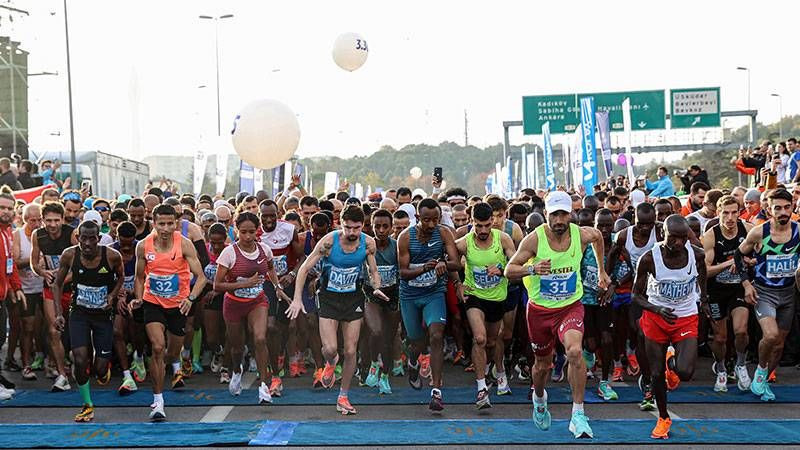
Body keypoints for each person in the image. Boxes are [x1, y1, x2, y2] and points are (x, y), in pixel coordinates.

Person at [505, 191, 609, 439]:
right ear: (546, 215)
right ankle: (539, 398)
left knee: (574, 351)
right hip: (540, 311)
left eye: (564, 214)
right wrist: (532, 268)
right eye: (555, 215)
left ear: (570, 214)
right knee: (542, 366)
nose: (560, 220)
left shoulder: (581, 234)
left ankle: (578, 414)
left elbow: (598, 238)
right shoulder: (533, 240)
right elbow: (509, 270)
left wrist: (602, 270)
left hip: (570, 306)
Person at [287, 205, 389, 415]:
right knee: (332, 349)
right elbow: (305, 268)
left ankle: (343, 396)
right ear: (340, 224)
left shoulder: (368, 243)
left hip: (353, 299)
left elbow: (373, 269)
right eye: (347, 228)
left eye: (356, 228)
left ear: (363, 226)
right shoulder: (329, 242)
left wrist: (377, 288)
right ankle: (330, 363)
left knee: (351, 350)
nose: (352, 233)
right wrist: (297, 299)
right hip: (329, 299)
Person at [129, 204, 207, 421]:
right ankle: (158, 401)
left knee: (171, 353)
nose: (165, 228)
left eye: (169, 223)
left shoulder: (184, 244)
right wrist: (137, 297)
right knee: (157, 348)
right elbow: (139, 277)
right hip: (153, 303)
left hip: (177, 306)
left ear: (176, 223)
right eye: (160, 223)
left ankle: (172, 365)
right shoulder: (143, 246)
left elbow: (201, 277)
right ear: (153, 223)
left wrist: (190, 298)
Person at [633, 214, 706, 439]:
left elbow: (702, 273)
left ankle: (671, 361)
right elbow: (636, 295)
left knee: (685, 372)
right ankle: (663, 417)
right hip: (656, 317)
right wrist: (656, 309)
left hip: (685, 316)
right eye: (674, 238)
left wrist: (702, 296)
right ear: (663, 234)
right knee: (656, 375)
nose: (679, 243)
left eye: (683, 238)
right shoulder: (649, 258)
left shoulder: (696, 254)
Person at [51, 220, 124, 422]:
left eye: (93, 238)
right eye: (84, 238)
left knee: (100, 370)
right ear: (78, 238)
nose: (88, 243)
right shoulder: (69, 255)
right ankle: (87, 405)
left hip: (102, 316)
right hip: (80, 314)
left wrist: (113, 296)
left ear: (99, 239)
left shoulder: (111, 256)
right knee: (80, 359)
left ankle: (103, 370)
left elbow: (120, 278)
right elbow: (56, 285)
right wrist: (58, 313)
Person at [213, 212, 288, 404]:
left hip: (257, 301)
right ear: (237, 230)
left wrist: (277, 286)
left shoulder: (264, 250)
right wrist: (244, 284)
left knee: (260, 338)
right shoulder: (229, 252)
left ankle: (264, 386)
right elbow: (217, 286)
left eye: (252, 232)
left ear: (257, 231)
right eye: (243, 232)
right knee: (237, 347)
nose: (247, 236)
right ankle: (237, 370)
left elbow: (270, 268)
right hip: (234, 304)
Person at [735, 188, 799, 401]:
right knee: (770, 335)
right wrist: (746, 284)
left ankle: (764, 377)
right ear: (769, 210)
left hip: (789, 294)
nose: (783, 212)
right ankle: (761, 372)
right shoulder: (759, 233)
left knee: (779, 343)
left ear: (793, 207)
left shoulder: (799, 231)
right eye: (777, 208)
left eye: (787, 207)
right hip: (764, 292)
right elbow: (738, 255)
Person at [397, 198, 461, 412]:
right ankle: (413, 362)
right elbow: (403, 273)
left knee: (436, 335)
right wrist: (424, 269)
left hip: (434, 292)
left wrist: (444, 264)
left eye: (436, 219)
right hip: (410, 295)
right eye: (426, 220)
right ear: (417, 218)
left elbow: (456, 263)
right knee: (417, 341)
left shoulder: (444, 233)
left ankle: (436, 391)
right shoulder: (405, 237)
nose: (432, 224)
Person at [455, 202, 516, 409]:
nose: (482, 230)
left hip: (497, 298)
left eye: (486, 226)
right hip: (474, 296)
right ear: (472, 222)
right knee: (479, 338)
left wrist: (501, 270)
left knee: (491, 341)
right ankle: (481, 390)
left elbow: (516, 265)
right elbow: (450, 259)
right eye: (478, 226)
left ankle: (495, 370)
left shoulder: (503, 239)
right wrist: (458, 283)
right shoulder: (464, 242)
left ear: (493, 222)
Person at [702, 195, 752, 392]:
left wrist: (748, 260)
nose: (730, 217)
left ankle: (741, 363)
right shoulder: (711, 235)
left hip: (739, 287)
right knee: (720, 338)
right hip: (717, 290)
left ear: (739, 213)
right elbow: (705, 271)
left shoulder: (747, 230)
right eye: (725, 213)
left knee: (741, 330)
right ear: (718, 213)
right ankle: (722, 368)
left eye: (734, 213)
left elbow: (758, 255)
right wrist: (732, 262)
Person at [30, 201, 76, 391]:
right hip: (50, 288)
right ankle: (62, 374)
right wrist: (43, 273)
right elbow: (34, 263)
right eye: (48, 220)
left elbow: (80, 264)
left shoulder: (72, 233)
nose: (52, 224)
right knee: (53, 331)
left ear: (63, 220)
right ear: (42, 220)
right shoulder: (37, 235)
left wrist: (62, 278)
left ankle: (76, 363)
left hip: (72, 287)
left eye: (56, 220)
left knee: (74, 331)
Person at [362, 209, 401, 395]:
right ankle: (373, 364)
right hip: (372, 295)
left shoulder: (396, 247)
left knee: (389, 338)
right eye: (377, 226)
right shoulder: (367, 247)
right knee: (376, 331)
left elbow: (402, 273)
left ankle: (385, 376)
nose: (381, 230)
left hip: (392, 295)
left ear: (392, 228)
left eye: (385, 226)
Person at [583, 209, 618, 401]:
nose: (604, 230)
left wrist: (613, 285)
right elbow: (576, 271)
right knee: (591, 343)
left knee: (606, 340)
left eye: (607, 226)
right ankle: (588, 352)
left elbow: (627, 268)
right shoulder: (585, 245)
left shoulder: (616, 243)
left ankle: (604, 383)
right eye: (600, 226)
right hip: (585, 300)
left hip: (606, 301)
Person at [112, 222, 146, 394]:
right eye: (122, 243)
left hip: (137, 296)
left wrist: (132, 293)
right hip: (117, 297)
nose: (125, 248)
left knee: (136, 331)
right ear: (117, 237)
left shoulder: (141, 250)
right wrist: (117, 294)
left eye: (129, 244)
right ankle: (126, 374)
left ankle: (139, 357)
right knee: (117, 332)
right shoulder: (111, 251)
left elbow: (146, 277)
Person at [12, 203, 43, 381]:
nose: (38, 223)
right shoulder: (18, 235)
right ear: (25, 220)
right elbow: (15, 262)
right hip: (27, 288)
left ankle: (49, 363)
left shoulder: (44, 233)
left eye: (40, 219)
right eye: (33, 220)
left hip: (43, 286)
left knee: (48, 328)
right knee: (28, 328)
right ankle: (26, 365)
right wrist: (34, 259)